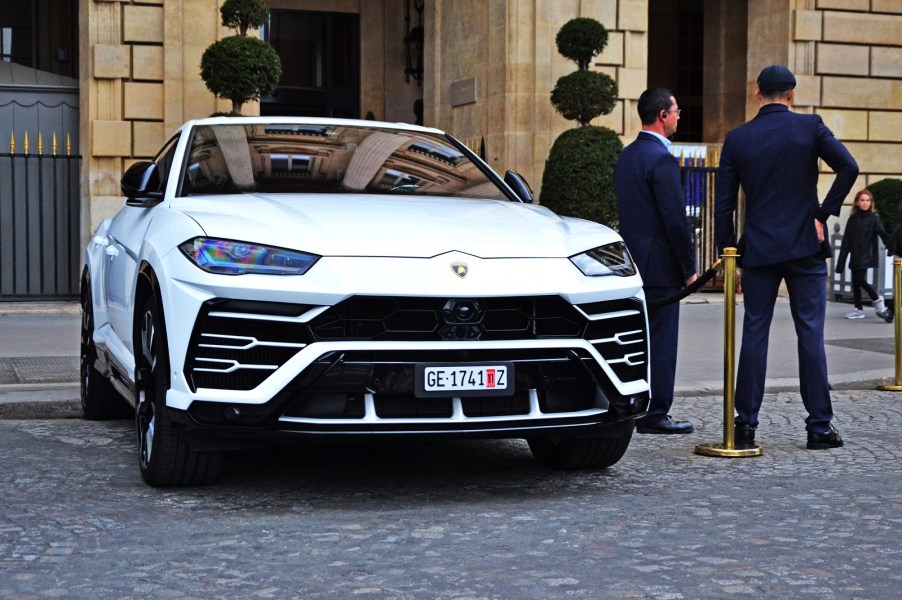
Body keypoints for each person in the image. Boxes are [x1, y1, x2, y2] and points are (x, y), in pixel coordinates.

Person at [715, 65, 859, 450]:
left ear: (758, 94)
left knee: (754, 334)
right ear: (791, 94)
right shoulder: (810, 127)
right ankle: (819, 427)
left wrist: (728, 252)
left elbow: (724, 205)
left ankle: (744, 425)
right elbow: (849, 167)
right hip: (804, 243)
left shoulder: (738, 138)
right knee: (810, 334)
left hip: (760, 247)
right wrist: (822, 213)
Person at [615, 87, 698, 434]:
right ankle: (655, 413)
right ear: (663, 115)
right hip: (661, 268)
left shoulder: (628, 155)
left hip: (633, 262)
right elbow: (675, 220)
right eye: (677, 110)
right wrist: (689, 268)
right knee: (662, 343)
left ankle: (636, 406)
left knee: (638, 341)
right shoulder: (661, 159)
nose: (680, 116)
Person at [837, 189, 890, 319]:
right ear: (857, 203)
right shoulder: (852, 219)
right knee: (855, 281)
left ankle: (877, 300)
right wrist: (840, 264)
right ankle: (858, 309)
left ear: (871, 203)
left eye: (868, 200)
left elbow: (883, 234)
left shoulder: (874, 218)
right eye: (862, 200)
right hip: (855, 254)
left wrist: (893, 246)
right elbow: (846, 242)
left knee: (860, 279)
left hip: (867, 254)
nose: (865, 203)